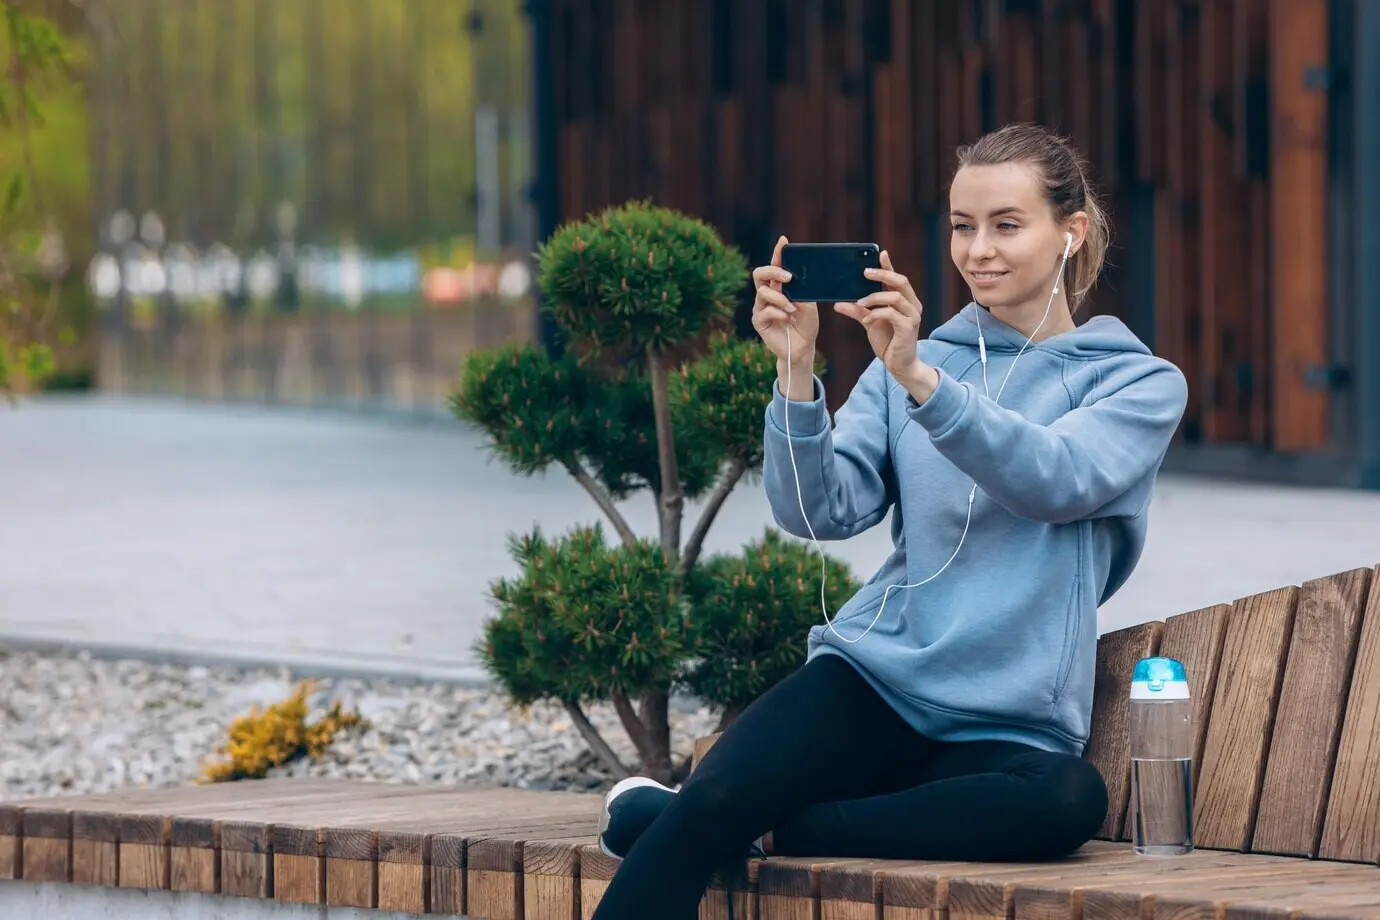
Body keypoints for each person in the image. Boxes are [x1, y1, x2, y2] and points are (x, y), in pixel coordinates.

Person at [589, 122, 1189, 920]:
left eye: (1007, 225)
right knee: (717, 793)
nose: (979, 250)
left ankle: (749, 827)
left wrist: (923, 382)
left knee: (1064, 800)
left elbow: (1056, 479)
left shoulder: (1136, 383)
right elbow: (818, 510)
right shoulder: (904, 365)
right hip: (873, 681)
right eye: (963, 226)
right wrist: (795, 373)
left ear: (1070, 233)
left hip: (1007, 721)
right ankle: (715, 816)